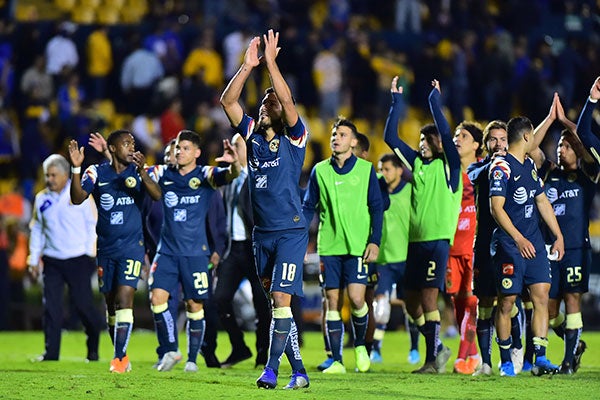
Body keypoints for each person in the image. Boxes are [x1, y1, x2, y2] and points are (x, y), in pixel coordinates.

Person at [220, 29, 310, 389]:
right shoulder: (254, 137)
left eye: (271, 99)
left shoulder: (295, 138)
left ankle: (271, 370)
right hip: (262, 235)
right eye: (264, 99)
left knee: (280, 299)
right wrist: (246, 67)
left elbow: (289, 104)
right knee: (279, 309)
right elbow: (228, 102)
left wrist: (271, 65)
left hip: (290, 231)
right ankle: (300, 371)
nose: (267, 101)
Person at [383, 77, 461, 374]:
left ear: (440, 144)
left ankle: (432, 361)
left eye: (428, 141)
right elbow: (391, 137)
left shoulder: (450, 165)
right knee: (410, 301)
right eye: (420, 142)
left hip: (437, 241)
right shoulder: (416, 164)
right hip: (414, 242)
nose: (423, 145)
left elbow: (443, 129)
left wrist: (433, 101)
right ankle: (438, 347)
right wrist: (395, 103)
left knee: (429, 297)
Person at [145, 129, 239, 373]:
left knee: (194, 305)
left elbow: (232, 174)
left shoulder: (205, 175)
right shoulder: (163, 173)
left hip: (196, 254)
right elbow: (139, 174)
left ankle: (192, 359)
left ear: (197, 153)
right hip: (166, 251)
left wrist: (235, 163)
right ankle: (170, 349)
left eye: (185, 148)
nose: (179, 152)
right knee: (157, 299)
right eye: (177, 148)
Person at [68, 130, 162, 373]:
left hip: (132, 246)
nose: (132, 147)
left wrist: (142, 172)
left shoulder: (141, 170)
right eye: (126, 143)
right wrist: (76, 169)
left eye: (133, 142)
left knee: (124, 298)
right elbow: (77, 198)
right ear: (112, 147)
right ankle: (121, 354)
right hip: (106, 248)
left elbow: (157, 195)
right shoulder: (96, 172)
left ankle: (119, 358)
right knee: (110, 305)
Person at [303, 118, 383, 374]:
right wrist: (299, 235)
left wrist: (375, 241)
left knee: (358, 300)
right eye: (334, 134)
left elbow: (377, 207)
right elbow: (308, 207)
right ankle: (337, 360)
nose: (336, 138)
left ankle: (360, 346)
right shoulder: (319, 171)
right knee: (332, 299)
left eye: (343, 134)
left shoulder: (366, 170)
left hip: (358, 246)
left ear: (354, 141)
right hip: (330, 245)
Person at [529, 86, 600, 374]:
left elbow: (584, 137)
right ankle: (575, 345)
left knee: (573, 300)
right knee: (551, 309)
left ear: (578, 149)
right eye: (559, 145)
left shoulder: (588, 174)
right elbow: (530, 147)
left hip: (576, 249)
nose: (561, 149)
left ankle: (569, 361)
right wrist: (550, 119)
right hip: (549, 250)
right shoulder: (547, 171)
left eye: (567, 145)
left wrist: (569, 124)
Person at [488, 116, 564, 377]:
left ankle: (540, 357)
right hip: (510, 244)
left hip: (535, 245)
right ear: (526, 137)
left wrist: (558, 235)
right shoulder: (501, 167)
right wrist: (519, 238)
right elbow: (496, 208)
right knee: (507, 301)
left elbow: (542, 201)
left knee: (542, 296)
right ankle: (506, 359)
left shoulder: (530, 165)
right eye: (533, 135)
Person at [27, 154, 104, 362]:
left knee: (82, 306)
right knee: (51, 307)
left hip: (78, 259)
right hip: (52, 260)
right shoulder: (42, 198)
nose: (49, 179)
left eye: (53, 175)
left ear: (64, 175)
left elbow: (93, 224)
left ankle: (93, 348)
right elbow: (37, 230)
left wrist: (90, 252)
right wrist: (33, 259)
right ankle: (51, 354)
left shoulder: (79, 194)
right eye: (47, 175)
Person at [467, 120, 524, 375]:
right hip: (483, 244)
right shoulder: (478, 167)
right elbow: (471, 177)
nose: (499, 143)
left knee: (508, 301)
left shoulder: (516, 167)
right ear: (486, 143)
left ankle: (514, 351)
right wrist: (495, 163)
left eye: (503, 139)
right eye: (494, 139)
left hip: (507, 243)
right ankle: (487, 363)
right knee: (485, 303)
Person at [214, 133, 271, 369]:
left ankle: (262, 352)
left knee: (261, 302)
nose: (233, 147)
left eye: (238, 145)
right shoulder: (228, 176)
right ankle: (239, 346)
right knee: (219, 300)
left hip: (254, 247)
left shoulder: (259, 175)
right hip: (232, 248)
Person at [371, 153, 421, 365]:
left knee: (410, 306)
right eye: (381, 169)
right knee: (380, 308)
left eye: (387, 169)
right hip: (382, 259)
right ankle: (376, 349)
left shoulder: (410, 192)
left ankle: (414, 348)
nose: (383, 173)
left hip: (405, 259)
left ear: (400, 170)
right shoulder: (377, 192)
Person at [445, 120, 484, 375]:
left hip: (474, 246)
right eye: (456, 135)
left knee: (471, 301)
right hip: (451, 247)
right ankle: (473, 353)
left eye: (464, 136)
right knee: (458, 302)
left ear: (477, 145)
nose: (458, 139)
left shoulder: (484, 169)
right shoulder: (447, 171)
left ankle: (463, 356)